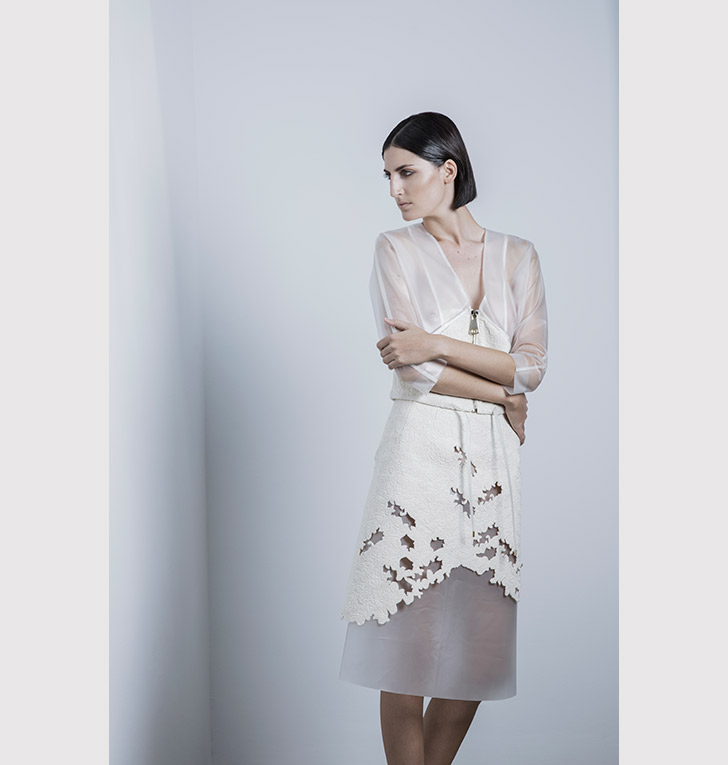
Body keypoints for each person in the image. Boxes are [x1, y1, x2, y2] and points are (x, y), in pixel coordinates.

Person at [338, 112, 548, 765]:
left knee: (477, 657)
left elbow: (532, 368)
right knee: (406, 653)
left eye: (406, 172)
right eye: (387, 176)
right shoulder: (394, 249)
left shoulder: (519, 255)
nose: (394, 189)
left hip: (492, 464)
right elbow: (415, 373)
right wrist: (500, 392)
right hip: (418, 454)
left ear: (447, 170)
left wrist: (435, 342)